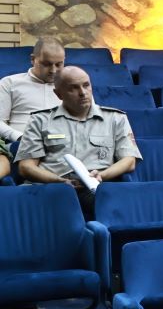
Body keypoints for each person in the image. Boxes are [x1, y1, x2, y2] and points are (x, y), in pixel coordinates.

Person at [14, 66, 141, 214]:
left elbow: (129, 161)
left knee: (128, 205)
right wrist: (59, 181)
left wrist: (101, 175)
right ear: (58, 94)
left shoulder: (115, 118)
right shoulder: (40, 120)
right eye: (73, 88)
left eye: (86, 85)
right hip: (51, 187)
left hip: (96, 187)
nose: (82, 92)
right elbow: (26, 167)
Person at [0, 37, 65, 144]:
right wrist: (19, 138)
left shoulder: (74, 85)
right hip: (21, 145)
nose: (53, 70)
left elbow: (90, 120)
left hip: (64, 145)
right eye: (46, 64)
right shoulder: (9, 83)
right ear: (33, 59)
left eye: (59, 64)